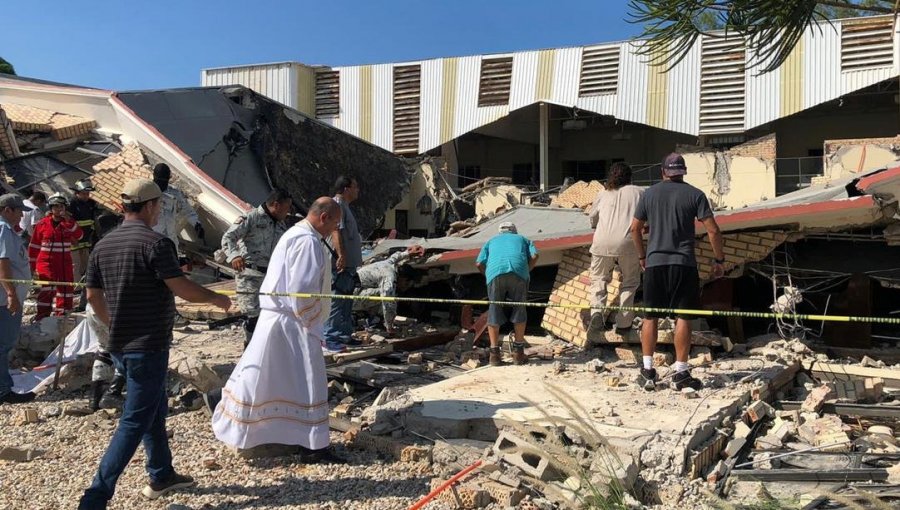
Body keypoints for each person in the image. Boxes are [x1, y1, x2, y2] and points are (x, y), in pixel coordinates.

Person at [77, 179, 231, 508]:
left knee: (154, 408)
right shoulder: (156, 243)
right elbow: (181, 287)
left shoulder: (102, 245)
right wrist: (216, 298)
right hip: (147, 345)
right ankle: (96, 495)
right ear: (149, 206)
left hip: (119, 344)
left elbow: (92, 295)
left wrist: (114, 322)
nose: (159, 210)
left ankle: (162, 475)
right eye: (159, 205)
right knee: (134, 420)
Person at [212, 197, 342, 461]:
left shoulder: (294, 233)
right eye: (334, 224)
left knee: (267, 377)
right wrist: (314, 322)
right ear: (324, 217)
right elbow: (302, 291)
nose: (333, 231)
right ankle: (313, 445)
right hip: (293, 323)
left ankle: (275, 434)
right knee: (307, 382)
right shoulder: (306, 241)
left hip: (279, 319)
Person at [630, 153, 725, 392]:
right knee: (684, 316)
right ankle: (681, 373)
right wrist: (719, 260)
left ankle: (648, 371)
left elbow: (634, 229)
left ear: (663, 171)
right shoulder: (695, 195)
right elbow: (713, 231)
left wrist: (642, 255)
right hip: (684, 264)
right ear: (682, 172)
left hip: (655, 263)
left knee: (650, 315)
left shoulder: (648, 194)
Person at [221, 188, 292, 348]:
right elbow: (228, 237)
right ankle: (250, 352)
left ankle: (264, 352)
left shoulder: (281, 224)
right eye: (287, 208)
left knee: (269, 317)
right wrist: (234, 256)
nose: (288, 212)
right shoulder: (251, 218)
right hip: (250, 275)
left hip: (270, 277)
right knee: (252, 318)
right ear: (276, 205)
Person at [587, 162, 644, 337]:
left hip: (602, 241)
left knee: (599, 279)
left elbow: (592, 219)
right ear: (630, 177)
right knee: (630, 282)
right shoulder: (640, 192)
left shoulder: (603, 193)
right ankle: (624, 323)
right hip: (628, 242)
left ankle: (597, 313)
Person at [475, 222, 538, 366]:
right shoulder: (523, 239)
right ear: (514, 231)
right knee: (519, 309)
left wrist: (488, 275)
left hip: (494, 274)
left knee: (494, 311)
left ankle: (494, 356)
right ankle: (518, 355)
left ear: (500, 232)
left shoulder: (490, 241)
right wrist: (526, 270)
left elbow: (478, 263)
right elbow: (535, 255)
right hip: (519, 273)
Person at [0, 194, 36, 404]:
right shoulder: (3, 230)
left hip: (6, 297)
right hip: (4, 299)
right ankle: (3, 390)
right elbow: (2, 263)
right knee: (3, 344)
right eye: (19, 210)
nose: (22, 215)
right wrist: (12, 294)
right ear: (7, 210)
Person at [323, 176, 363, 351]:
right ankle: (330, 336)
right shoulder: (337, 205)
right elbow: (335, 231)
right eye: (355, 187)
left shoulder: (345, 207)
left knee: (346, 301)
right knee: (337, 301)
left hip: (349, 265)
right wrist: (341, 255)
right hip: (341, 264)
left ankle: (343, 334)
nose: (357, 190)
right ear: (346, 189)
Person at [29, 193, 82, 320]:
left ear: (65, 208)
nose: (59, 209)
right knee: (48, 288)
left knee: (65, 289)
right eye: (56, 206)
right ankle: (42, 317)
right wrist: (31, 265)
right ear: (51, 208)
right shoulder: (42, 224)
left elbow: (79, 235)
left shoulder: (69, 223)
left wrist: (69, 222)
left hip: (64, 263)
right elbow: (34, 246)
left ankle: (62, 317)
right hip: (46, 263)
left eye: (61, 206)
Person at [355, 244, 424, 334]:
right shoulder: (389, 277)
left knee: (384, 293)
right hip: (352, 299)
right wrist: (389, 326)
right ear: (403, 278)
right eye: (406, 283)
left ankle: (371, 318)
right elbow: (388, 304)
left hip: (354, 290)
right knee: (390, 296)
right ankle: (376, 321)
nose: (405, 286)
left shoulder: (389, 263)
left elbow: (396, 256)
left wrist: (408, 253)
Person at [151, 163, 203, 258]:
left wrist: (196, 224)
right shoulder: (147, 192)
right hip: (152, 240)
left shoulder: (175, 193)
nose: (162, 184)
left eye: (164, 181)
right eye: (160, 181)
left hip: (170, 240)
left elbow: (187, 210)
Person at [70, 179, 101, 311]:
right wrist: (72, 237)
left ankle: (82, 288)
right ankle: (75, 290)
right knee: (75, 266)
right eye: (83, 194)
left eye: (87, 194)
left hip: (87, 241)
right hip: (75, 241)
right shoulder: (71, 205)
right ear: (77, 193)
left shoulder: (91, 204)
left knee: (85, 267)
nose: (86, 196)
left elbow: (93, 221)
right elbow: (69, 223)